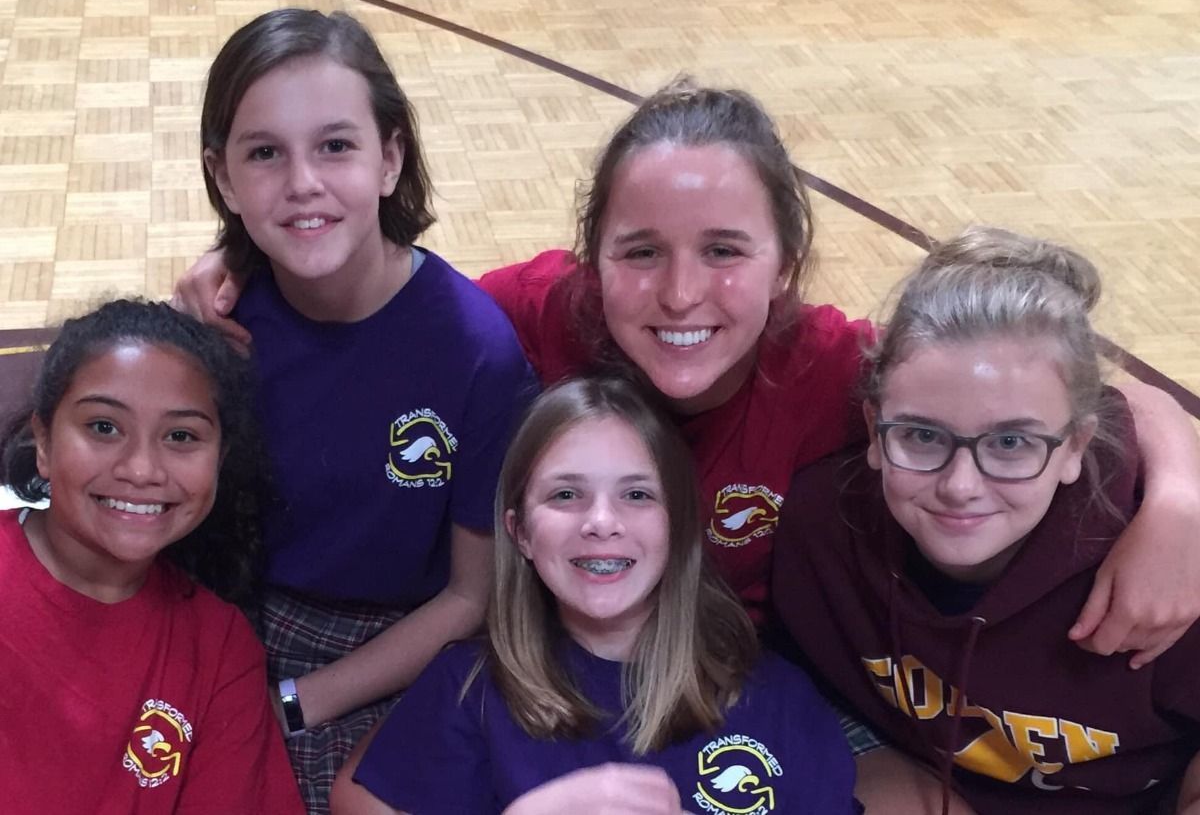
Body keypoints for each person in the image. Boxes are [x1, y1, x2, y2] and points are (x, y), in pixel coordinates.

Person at [175, 78, 1200, 810]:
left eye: (724, 252)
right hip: (556, 657)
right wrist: (242, 270)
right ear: (591, 261)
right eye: (640, 254)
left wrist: (1180, 493)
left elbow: (1038, 383)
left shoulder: (848, 369)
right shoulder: (525, 319)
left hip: (751, 683)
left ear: (786, 262)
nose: (677, 295)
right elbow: (382, 301)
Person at [196, 8, 538, 811]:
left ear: (390, 158)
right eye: (265, 154)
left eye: (336, 145)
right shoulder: (221, 315)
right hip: (239, 606)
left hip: (407, 642)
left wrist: (301, 697)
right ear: (223, 179)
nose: (303, 181)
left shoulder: (476, 352)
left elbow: (471, 597)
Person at [773, 227, 1200, 815]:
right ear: (873, 430)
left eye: (1011, 442)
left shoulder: (1170, 573)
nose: (960, 486)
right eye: (922, 436)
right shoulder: (821, 531)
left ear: (1076, 446)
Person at [328, 376, 861, 815]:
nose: (601, 522)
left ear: (680, 525)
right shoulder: (470, 690)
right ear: (520, 533)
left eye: (636, 494)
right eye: (565, 495)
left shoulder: (778, 698)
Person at [0, 299, 304, 814]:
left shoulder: (220, 649)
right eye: (103, 427)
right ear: (44, 442)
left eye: (181, 436)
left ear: (219, 462)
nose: (141, 469)